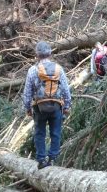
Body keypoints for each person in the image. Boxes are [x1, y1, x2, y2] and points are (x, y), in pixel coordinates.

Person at [23, 41, 72, 169]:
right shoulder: (58, 69)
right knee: (55, 132)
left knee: (39, 133)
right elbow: (66, 89)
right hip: (56, 106)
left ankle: (41, 159)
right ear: (50, 53)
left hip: (39, 107)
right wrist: (67, 106)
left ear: (37, 55)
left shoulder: (33, 70)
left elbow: (27, 92)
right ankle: (52, 158)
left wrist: (27, 108)